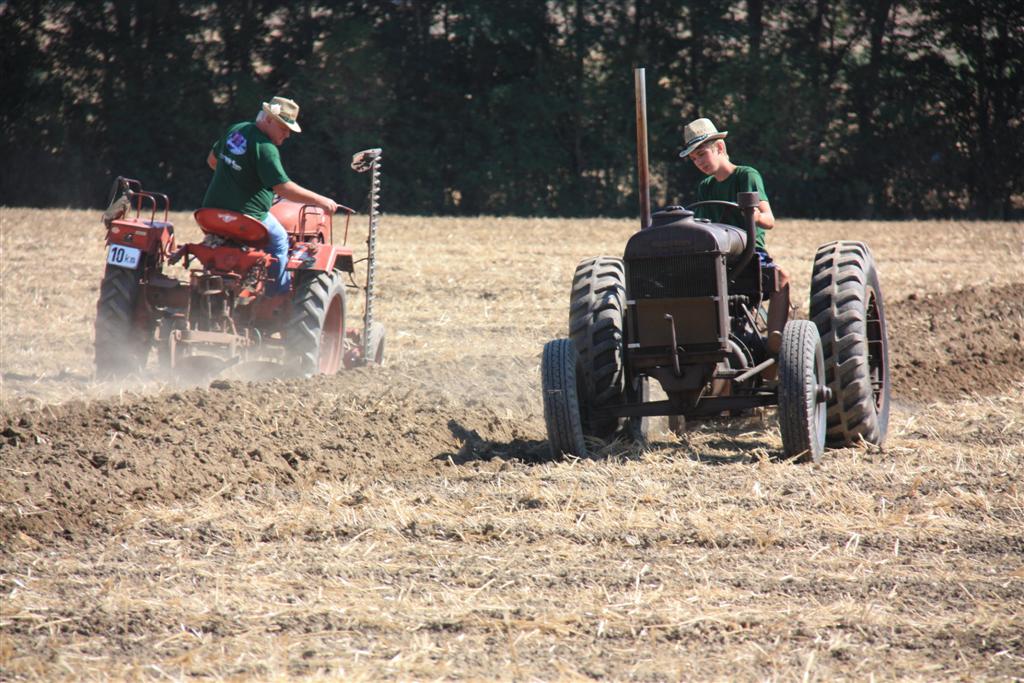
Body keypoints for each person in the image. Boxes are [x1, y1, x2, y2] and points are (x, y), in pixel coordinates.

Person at [202, 96, 338, 296]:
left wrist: (238, 180)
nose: (287, 135)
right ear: (268, 120)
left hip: (211, 213)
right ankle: (277, 296)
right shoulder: (265, 148)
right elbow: (283, 188)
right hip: (247, 218)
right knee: (281, 239)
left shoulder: (236, 130)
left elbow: (212, 161)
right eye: (284, 128)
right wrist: (321, 200)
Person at [680, 117, 789, 354]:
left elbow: (769, 220)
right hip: (717, 257)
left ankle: (775, 341)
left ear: (719, 147)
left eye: (702, 153)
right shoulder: (706, 186)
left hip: (748, 254)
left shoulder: (746, 176)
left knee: (780, 278)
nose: (698, 161)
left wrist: (751, 213)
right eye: (693, 158)